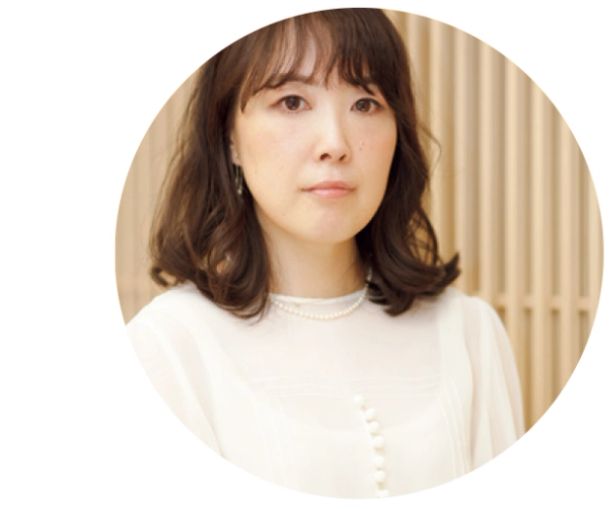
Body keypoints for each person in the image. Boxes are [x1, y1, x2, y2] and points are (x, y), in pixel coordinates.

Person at [127, 8, 524, 499]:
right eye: (292, 102)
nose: (335, 144)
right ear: (229, 137)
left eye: (365, 103)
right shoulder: (168, 348)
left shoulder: (468, 333)